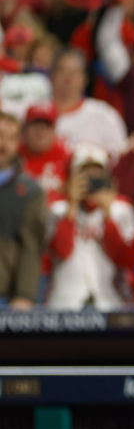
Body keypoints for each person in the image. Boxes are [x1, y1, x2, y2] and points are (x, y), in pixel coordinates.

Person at [46, 143, 134, 310]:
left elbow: (123, 259)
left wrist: (108, 214)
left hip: (110, 300)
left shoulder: (121, 211)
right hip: (65, 301)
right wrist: (71, 206)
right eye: (84, 175)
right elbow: (62, 251)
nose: (90, 181)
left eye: (97, 175)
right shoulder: (57, 210)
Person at [0, 111, 46, 309]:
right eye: (0, 135)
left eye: (11, 138)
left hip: (5, 297)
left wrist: (25, 296)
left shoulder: (29, 191)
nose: (4, 144)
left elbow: (31, 247)